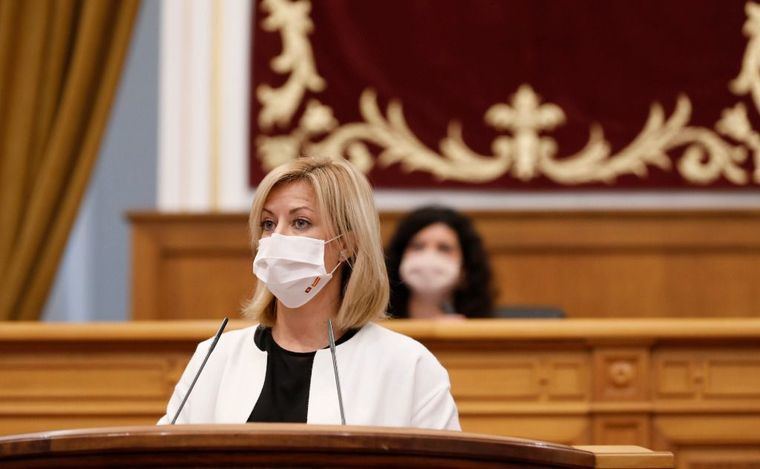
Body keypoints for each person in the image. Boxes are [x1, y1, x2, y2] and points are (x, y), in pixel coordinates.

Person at [159, 157, 460, 430]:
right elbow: (163, 457)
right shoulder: (216, 357)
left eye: (300, 223)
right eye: (268, 223)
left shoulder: (409, 366)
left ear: (347, 244)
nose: (277, 238)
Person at [386, 206, 494, 319]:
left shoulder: (485, 331)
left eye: (444, 248)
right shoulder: (376, 329)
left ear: (465, 268)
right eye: (418, 247)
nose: (428, 257)